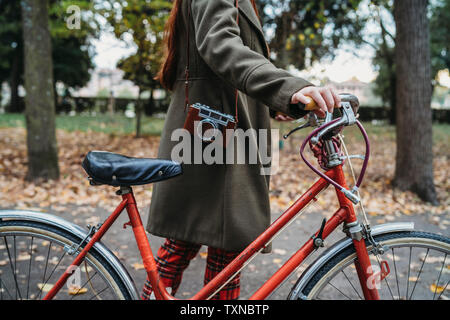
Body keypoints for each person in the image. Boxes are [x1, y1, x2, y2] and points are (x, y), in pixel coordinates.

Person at [142, 0, 340, 300]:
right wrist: (286, 88)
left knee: (202, 245)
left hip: (220, 137)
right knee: (213, 246)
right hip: (215, 139)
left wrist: (278, 104)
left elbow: (232, 68)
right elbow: (221, 47)